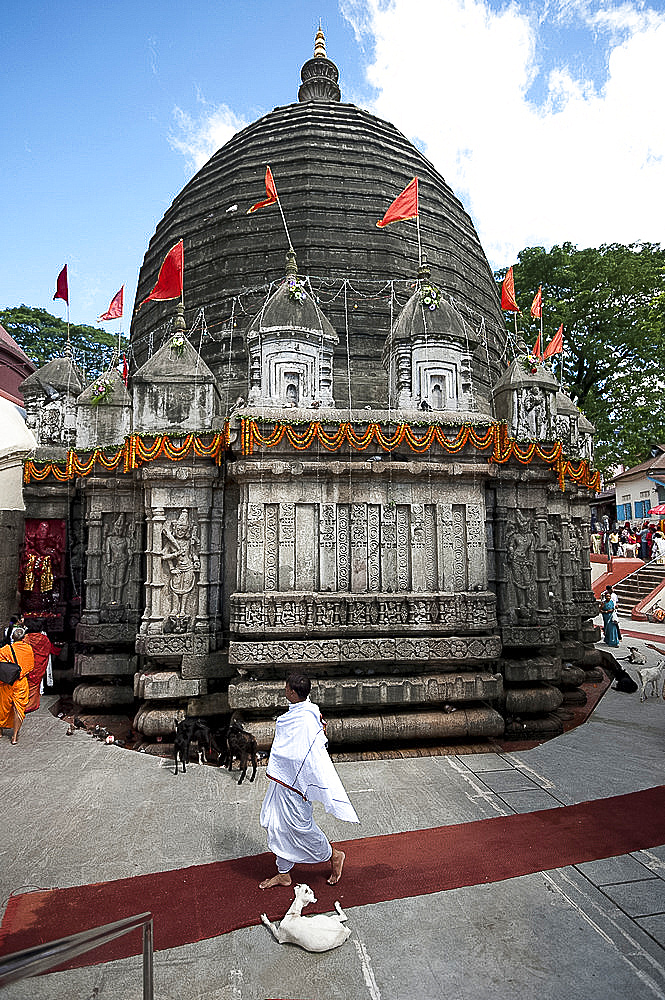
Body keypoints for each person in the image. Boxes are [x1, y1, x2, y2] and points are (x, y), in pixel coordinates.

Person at [259, 672, 359, 890]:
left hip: (296, 784)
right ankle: (283, 873)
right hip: (283, 780)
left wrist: (285, 765)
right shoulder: (303, 712)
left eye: (286, 688)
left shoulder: (305, 718)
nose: (284, 691)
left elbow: (305, 754)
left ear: (293, 693)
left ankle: (333, 855)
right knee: (277, 824)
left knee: (299, 827)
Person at [0, 625, 34, 743]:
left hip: (6, 683)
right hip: (20, 682)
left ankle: (0, 731)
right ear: (23, 638)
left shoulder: (5, 649)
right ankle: (14, 736)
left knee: (3, 707)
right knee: (18, 709)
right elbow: (30, 667)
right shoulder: (28, 649)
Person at [23, 621, 62, 712]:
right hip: (39, 666)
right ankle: (32, 705)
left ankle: (23, 704)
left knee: (26, 685)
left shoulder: (26, 639)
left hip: (28, 665)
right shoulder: (44, 639)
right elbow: (49, 649)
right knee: (35, 685)